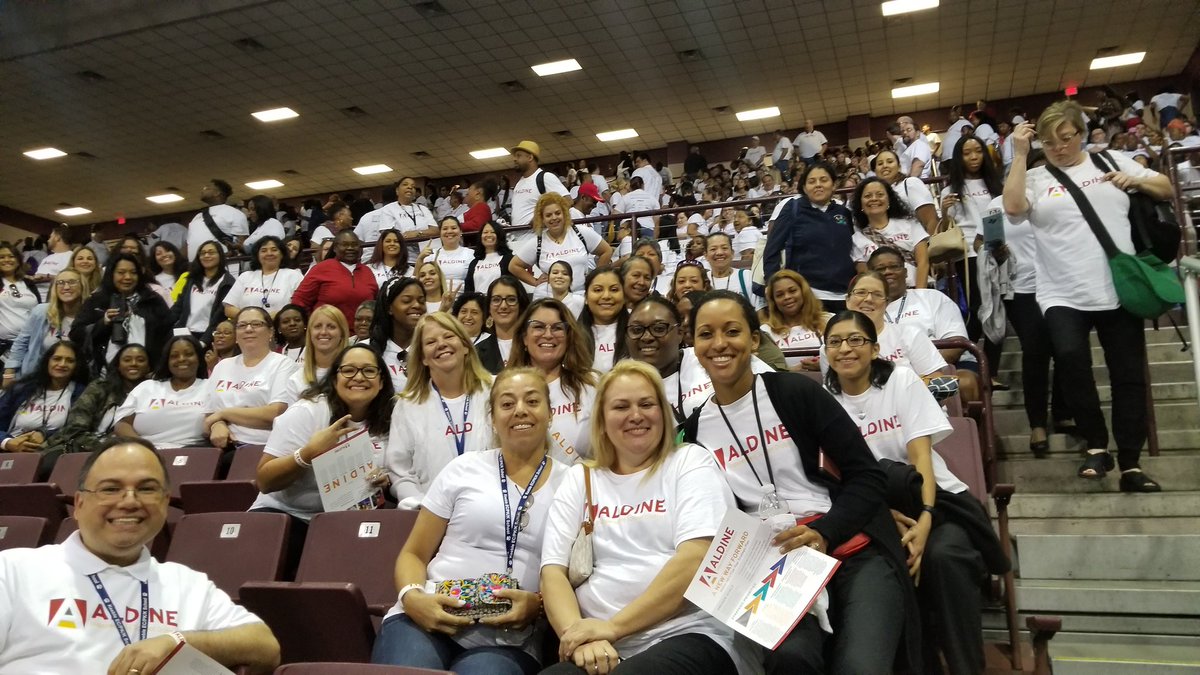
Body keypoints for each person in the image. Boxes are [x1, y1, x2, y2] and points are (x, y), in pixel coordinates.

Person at [681, 291, 918, 674]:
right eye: (706, 334)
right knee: (791, 660)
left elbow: (866, 475)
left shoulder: (795, 392)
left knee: (861, 667)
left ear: (754, 340)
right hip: (776, 562)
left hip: (849, 546)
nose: (720, 343)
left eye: (732, 331)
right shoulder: (694, 432)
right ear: (693, 345)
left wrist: (825, 531)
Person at [824, 310, 1008, 674]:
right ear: (826, 351)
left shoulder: (902, 380)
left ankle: (965, 667)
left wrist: (925, 520)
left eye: (856, 340)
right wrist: (882, 517)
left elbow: (920, 456)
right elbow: (838, 478)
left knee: (943, 556)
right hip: (876, 513)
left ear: (875, 348)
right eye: (835, 342)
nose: (845, 348)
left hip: (935, 500)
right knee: (883, 569)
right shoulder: (824, 402)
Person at [1003, 100, 1173, 492]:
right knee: (1070, 361)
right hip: (1061, 291)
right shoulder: (1034, 176)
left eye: (1066, 138)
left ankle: (1131, 462)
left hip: (1118, 286)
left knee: (1128, 375)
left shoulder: (1109, 160)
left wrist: (1137, 182)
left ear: (1080, 133)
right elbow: (1013, 208)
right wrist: (1020, 155)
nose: (1059, 148)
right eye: (1049, 142)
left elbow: (1162, 186)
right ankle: (1096, 445)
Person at [1, 437, 281, 671]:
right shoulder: (14, 570)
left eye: (147, 489)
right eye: (111, 489)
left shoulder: (187, 584)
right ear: (79, 503)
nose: (130, 502)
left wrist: (176, 642)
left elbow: (265, 646)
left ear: (164, 502)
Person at [540, 360, 744, 675]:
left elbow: (695, 560)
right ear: (602, 420)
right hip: (602, 643)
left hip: (688, 632)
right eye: (621, 406)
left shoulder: (689, 462)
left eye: (647, 404)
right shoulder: (580, 477)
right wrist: (578, 636)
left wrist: (612, 627)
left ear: (663, 412)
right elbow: (553, 572)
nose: (636, 415)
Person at [374, 367, 564, 674]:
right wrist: (412, 598)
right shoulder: (463, 468)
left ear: (550, 412)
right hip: (428, 615)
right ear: (492, 417)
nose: (520, 411)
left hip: (509, 639)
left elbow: (577, 577)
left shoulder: (573, 484)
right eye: (506, 403)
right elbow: (414, 553)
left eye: (532, 401)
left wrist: (539, 606)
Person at [251, 345, 392, 544]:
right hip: (288, 514)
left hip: (348, 520)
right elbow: (264, 482)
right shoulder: (308, 411)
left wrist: (384, 481)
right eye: (349, 370)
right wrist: (308, 453)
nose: (359, 377)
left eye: (368, 370)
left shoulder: (391, 420)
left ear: (381, 381)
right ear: (334, 379)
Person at [987, 153, 1070, 454]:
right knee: (1036, 349)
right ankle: (1037, 424)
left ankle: (1062, 411)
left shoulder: (1062, 198)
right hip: (1020, 288)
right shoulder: (997, 204)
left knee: (1066, 349)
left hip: (1061, 285)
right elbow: (985, 243)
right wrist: (996, 251)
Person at [386, 313, 494, 509]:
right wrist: (420, 504)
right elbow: (399, 470)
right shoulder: (407, 405)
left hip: (493, 509)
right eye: (430, 342)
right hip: (432, 515)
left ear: (465, 346)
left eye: (449, 336)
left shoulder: (496, 391)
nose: (441, 344)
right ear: (423, 358)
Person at [867, 246, 980, 400]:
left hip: (942, 368)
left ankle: (966, 424)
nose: (888, 272)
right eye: (881, 269)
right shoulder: (866, 310)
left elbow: (955, 345)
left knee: (965, 384)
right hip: (888, 375)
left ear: (906, 272)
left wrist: (919, 371)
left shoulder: (932, 298)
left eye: (894, 266)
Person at [508, 299, 596, 463]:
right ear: (524, 338)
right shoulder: (504, 390)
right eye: (538, 327)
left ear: (568, 337)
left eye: (557, 328)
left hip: (581, 484)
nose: (548, 334)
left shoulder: (592, 384)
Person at [762, 162, 856, 312]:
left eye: (823, 180)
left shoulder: (843, 212)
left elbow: (853, 250)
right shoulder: (793, 208)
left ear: (834, 185)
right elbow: (773, 248)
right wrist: (771, 282)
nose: (818, 185)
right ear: (804, 187)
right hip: (809, 295)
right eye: (812, 181)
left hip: (845, 295)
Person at [941, 134, 1006, 346]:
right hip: (968, 254)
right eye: (967, 153)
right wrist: (944, 212)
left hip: (999, 250)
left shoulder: (997, 185)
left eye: (978, 151)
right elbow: (944, 229)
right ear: (959, 158)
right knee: (979, 307)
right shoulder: (949, 191)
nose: (974, 157)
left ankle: (991, 371)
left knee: (997, 307)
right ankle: (967, 358)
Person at [203, 307, 297, 449]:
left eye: (256, 324)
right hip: (221, 447)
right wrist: (217, 424)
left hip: (262, 447)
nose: (248, 329)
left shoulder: (283, 364)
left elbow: (276, 413)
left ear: (270, 332)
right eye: (242, 325)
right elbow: (209, 415)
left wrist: (224, 413)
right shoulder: (222, 366)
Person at [41, 343, 152, 460]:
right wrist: (108, 447)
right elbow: (75, 429)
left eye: (140, 360)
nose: (133, 364)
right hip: (84, 451)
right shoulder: (99, 388)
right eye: (127, 360)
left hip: (134, 454)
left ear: (149, 366)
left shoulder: (156, 395)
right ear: (118, 365)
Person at [71, 253, 172, 377]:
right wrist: (104, 322)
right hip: (104, 375)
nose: (128, 277)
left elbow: (168, 333)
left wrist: (158, 368)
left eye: (133, 272)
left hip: (148, 376)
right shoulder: (96, 301)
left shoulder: (152, 299)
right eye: (121, 272)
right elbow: (76, 333)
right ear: (111, 274)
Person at [0, 341, 88, 475]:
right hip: (9, 452)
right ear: (47, 361)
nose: (62, 364)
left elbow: (79, 429)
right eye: (57, 359)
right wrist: (8, 442)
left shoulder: (82, 393)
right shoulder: (22, 389)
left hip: (52, 457)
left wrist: (44, 434)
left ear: (76, 365)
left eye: (69, 360)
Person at [837, 272, 948, 378]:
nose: (869, 299)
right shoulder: (832, 344)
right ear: (847, 300)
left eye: (877, 294)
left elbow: (935, 381)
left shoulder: (911, 335)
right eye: (861, 292)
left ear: (887, 303)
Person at [114, 336, 210, 448]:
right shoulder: (147, 386)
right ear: (167, 361)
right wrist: (144, 447)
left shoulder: (210, 386)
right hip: (144, 451)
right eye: (174, 356)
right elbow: (122, 424)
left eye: (188, 354)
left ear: (199, 358)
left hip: (193, 452)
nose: (181, 359)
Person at [509, 193, 612, 293]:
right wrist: (535, 282)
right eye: (548, 215)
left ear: (564, 213)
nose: (554, 218)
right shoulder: (537, 242)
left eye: (558, 213)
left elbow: (606, 251)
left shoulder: (581, 232)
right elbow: (514, 266)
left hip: (582, 295)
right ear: (542, 219)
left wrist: (595, 279)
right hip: (552, 301)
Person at [6, 269, 86, 383]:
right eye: (61, 283)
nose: (66, 287)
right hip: (35, 377)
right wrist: (9, 373)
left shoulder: (90, 316)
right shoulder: (41, 311)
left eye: (72, 282)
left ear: (82, 286)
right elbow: (21, 342)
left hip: (74, 380)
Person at [850, 177, 930, 289]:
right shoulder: (856, 239)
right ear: (861, 205)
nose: (874, 199)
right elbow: (866, 276)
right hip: (884, 299)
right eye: (868, 196)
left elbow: (923, 262)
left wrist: (920, 294)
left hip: (916, 290)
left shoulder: (910, 224)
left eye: (880, 194)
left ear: (889, 200)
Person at [291, 230, 378, 325]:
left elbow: (375, 304)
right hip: (328, 334)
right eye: (344, 244)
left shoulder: (367, 271)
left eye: (354, 244)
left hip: (361, 336)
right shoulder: (321, 268)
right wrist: (313, 324)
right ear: (335, 248)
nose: (350, 248)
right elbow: (299, 301)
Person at [761, 270, 829, 371]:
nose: (787, 297)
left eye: (792, 291)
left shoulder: (829, 320)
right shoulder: (765, 331)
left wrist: (824, 365)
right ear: (773, 301)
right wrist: (796, 370)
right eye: (780, 295)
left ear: (803, 292)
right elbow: (764, 371)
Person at [358, 177, 439, 262]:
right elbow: (388, 235)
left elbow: (435, 231)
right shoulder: (389, 209)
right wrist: (422, 234)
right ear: (397, 191)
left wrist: (416, 233)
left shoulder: (423, 209)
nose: (410, 187)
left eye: (413, 186)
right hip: (403, 259)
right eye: (405, 184)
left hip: (427, 257)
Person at [171, 240, 236, 345]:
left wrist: (203, 342)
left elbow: (219, 316)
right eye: (202, 253)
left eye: (211, 252)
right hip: (184, 333)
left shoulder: (227, 282)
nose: (206, 255)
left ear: (220, 255)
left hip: (208, 337)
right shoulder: (191, 279)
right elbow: (178, 306)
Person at [369, 277, 428, 391]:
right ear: (389, 308)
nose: (417, 305)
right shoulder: (367, 349)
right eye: (407, 301)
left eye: (421, 301)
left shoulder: (431, 348)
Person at [283, 305, 351, 403]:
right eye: (317, 326)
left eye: (331, 327)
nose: (323, 332)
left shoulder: (353, 375)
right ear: (310, 334)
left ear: (342, 334)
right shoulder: (296, 379)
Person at [222, 237, 304, 319]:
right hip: (248, 327)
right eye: (264, 250)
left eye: (274, 250)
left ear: (282, 254)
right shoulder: (245, 276)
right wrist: (254, 319)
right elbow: (229, 308)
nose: (269, 253)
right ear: (257, 255)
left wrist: (271, 318)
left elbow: (299, 306)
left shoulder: (294, 275)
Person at [870, 149, 939, 235]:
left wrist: (932, 245)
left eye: (890, 162)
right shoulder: (877, 195)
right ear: (875, 171)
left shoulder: (910, 183)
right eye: (880, 164)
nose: (885, 166)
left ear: (899, 167)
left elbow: (930, 220)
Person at [509, 141, 572, 231]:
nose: (514, 159)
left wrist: (541, 220)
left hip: (537, 236)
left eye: (518, 155)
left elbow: (567, 201)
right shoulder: (519, 183)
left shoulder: (545, 177)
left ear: (530, 157)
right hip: (518, 237)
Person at [186, 178, 250, 261]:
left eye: (207, 188)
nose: (203, 190)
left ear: (217, 193)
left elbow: (241, 245)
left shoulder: (235, 214)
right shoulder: (197, 216)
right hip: (195, 267)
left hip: (223, 265)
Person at [476, 277, 530, 374]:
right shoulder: (477, 352)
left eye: (511, 299)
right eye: (496, 300)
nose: (503, 306)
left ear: (521, 305)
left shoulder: (534, 345)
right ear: (489, 307)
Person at [578, 268, 628, 371]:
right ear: (586, 297)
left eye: (614, 290)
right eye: (598, 290)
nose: (606, 296)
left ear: (624, 296)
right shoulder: (573, 335)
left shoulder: (638, 331)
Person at [0, 242, 42, 358]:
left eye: (11, 256)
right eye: (2, 257)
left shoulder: (29, 283)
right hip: (5, 346)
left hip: (32, 342)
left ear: (18, 260)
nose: (6, 260)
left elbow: (39, 310)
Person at [419, 217, 474, 295]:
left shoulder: (471, 254)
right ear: (440, 233)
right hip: (437, 300)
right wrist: (420, 259)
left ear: (460, 231)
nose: (449, 231)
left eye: (453, 228)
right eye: (445, 229)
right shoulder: (431, 254)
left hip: (463, 300)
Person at [464, 221, 514, 295]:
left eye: (492, 232)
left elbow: (512, 285)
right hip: (478, 303)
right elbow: (469, 289)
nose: (489, 235)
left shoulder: (509, 259)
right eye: (485, 232)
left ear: (499, 236)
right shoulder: (474, 263)